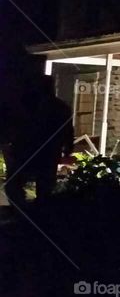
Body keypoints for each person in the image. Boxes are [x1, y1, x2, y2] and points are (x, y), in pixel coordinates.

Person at [3, 74, 73, 207]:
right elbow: (68, 130)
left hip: (29, 151)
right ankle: (36, 210)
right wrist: (68, 148)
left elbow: (18, 126)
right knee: (43, 186)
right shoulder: (60, 107)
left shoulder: (30, 106)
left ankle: (23, 209)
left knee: (16, 183)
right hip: (47, 152)